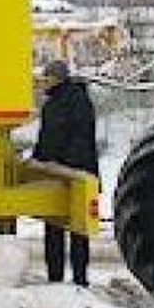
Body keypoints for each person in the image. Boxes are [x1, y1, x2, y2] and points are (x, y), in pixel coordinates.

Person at [33, 58, 98, 286]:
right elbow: (47, 136)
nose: (43, 83)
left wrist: (69, 167)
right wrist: (38, 161)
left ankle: (80, 279)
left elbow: (81, 138)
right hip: (56, 173)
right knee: (54, 226)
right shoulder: (52, 103)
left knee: (78, 230)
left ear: (58, 79)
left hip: (75, 173)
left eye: (47, 79)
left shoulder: (77, 101)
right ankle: (55, 278)